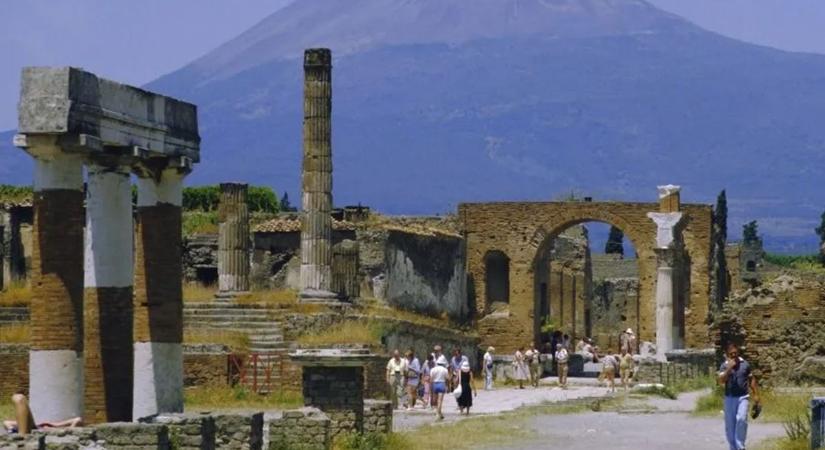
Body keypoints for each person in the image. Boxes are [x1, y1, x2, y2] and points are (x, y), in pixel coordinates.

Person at [719, 343, 760, 450]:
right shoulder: (724, 365)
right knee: (730, 424)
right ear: (727, 354)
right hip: (729, 398)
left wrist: (756, 395)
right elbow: (721, 381)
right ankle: (733, 447)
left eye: (735, 353)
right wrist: (729, 369)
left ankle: (740, 446)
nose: (734, 355)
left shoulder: (745, 364)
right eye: (731, 353)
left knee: (741, 419)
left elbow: (752, 379)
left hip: (743, 397)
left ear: (738, 352)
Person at [3, 391, 82, 435]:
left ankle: (22, 437)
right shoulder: (43, 426)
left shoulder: (57, 429)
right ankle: (20, 435)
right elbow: (7, 423)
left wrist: (56, 425)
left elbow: (77, 420)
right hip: (33, 429)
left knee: (19, 398)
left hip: (35, 431)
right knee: (18, 398)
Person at [430, 356, 450, 420]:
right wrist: (448, 387)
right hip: (441, 384)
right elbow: (448, 379)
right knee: (440, 401)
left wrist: (431, 387)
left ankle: (439, 413)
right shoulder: (445, 370)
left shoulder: (433, 369)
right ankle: (438, 414)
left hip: (435, 384)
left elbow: (431, 379)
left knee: (435, 400)